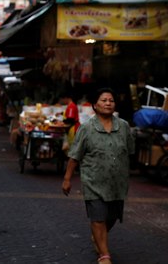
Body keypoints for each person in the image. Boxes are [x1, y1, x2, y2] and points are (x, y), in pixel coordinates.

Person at [61, 88, 135, 264]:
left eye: (111, 100)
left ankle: (98, 237)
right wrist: (67, 179)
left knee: (112, 217)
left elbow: (130, 151)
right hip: (93, 181)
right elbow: (75, 155)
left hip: (117, 183)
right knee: (98, 218)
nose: (108, 103)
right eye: (104, 100)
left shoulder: (123, 126)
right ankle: (104, 255)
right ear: (95, 105)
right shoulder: (86, 128)